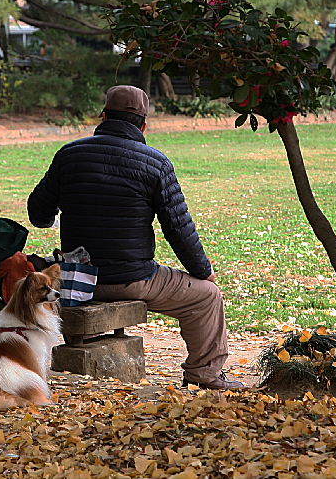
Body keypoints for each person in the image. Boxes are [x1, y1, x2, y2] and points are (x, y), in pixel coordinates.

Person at [27, 85, 242, 390]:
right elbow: (179, 228)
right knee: (207, 296)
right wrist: (203, 271)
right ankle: (204, 374)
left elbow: (38, 215)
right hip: (131, 277)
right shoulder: (155, 163)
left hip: (77, 279)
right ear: (143, 125)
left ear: (103, 116)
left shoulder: (69, 155)